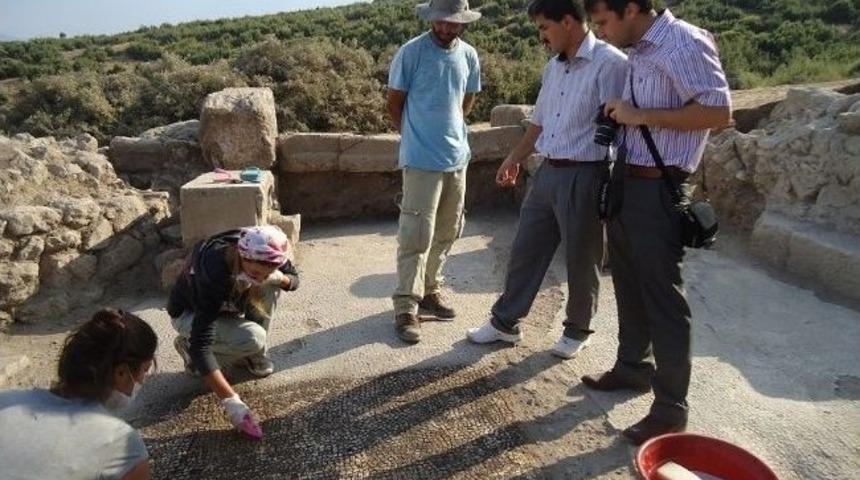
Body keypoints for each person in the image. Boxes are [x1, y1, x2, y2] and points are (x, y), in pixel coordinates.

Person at [581, 0, 731, 444]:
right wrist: (621, 109)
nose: (600, 33)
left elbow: (717, 112)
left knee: (663, 298)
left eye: (603, 22)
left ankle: (670, 409)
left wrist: (640, 115)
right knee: (628, 282)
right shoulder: (641, 48)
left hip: (658, 189)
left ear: (630, 8)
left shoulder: (683, 42)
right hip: (628, 180)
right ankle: (633, 367)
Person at [466, 0, 626, 359]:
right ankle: (505, 323)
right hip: (548, 170)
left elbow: (620, 126)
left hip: (587, 172)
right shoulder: (553, 67)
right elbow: (538, 122)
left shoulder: (611, 63)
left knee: (582, 258)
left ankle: (577, 330)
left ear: (567, 22)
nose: (541, 36)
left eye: (543, 27)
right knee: (526, 248)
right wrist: (514, 158)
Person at [387, 0, 482, 344]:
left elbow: (467, 99)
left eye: (452, 23)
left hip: (457, 158)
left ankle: (430, 290)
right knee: (415, 234)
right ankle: (405, 307)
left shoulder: (468, 55)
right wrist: (414, 137)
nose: (444, 28)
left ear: (463, 23)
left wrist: (450, 131)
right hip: (420, 159)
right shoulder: (411, 53)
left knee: (447, 230)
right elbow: (394, 102)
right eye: (440, 21)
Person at [166, 225, 299, 437]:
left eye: (266, 273)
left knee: (271, 287)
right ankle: (187, 349)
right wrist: (232, 403)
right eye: (255, 273)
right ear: (243, 256)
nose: (260, 278)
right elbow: (202, 344)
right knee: (253, 338)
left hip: (225, 306)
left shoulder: (270, 250)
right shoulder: (214, 271)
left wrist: (279, 278)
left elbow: (293, 279)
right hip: (189, 315)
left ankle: (251, 356)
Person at [0, 308, 157, 480]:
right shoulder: (121, 443)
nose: (143, 380)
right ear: (121, 372)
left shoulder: (6, 399)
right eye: (144, 370)